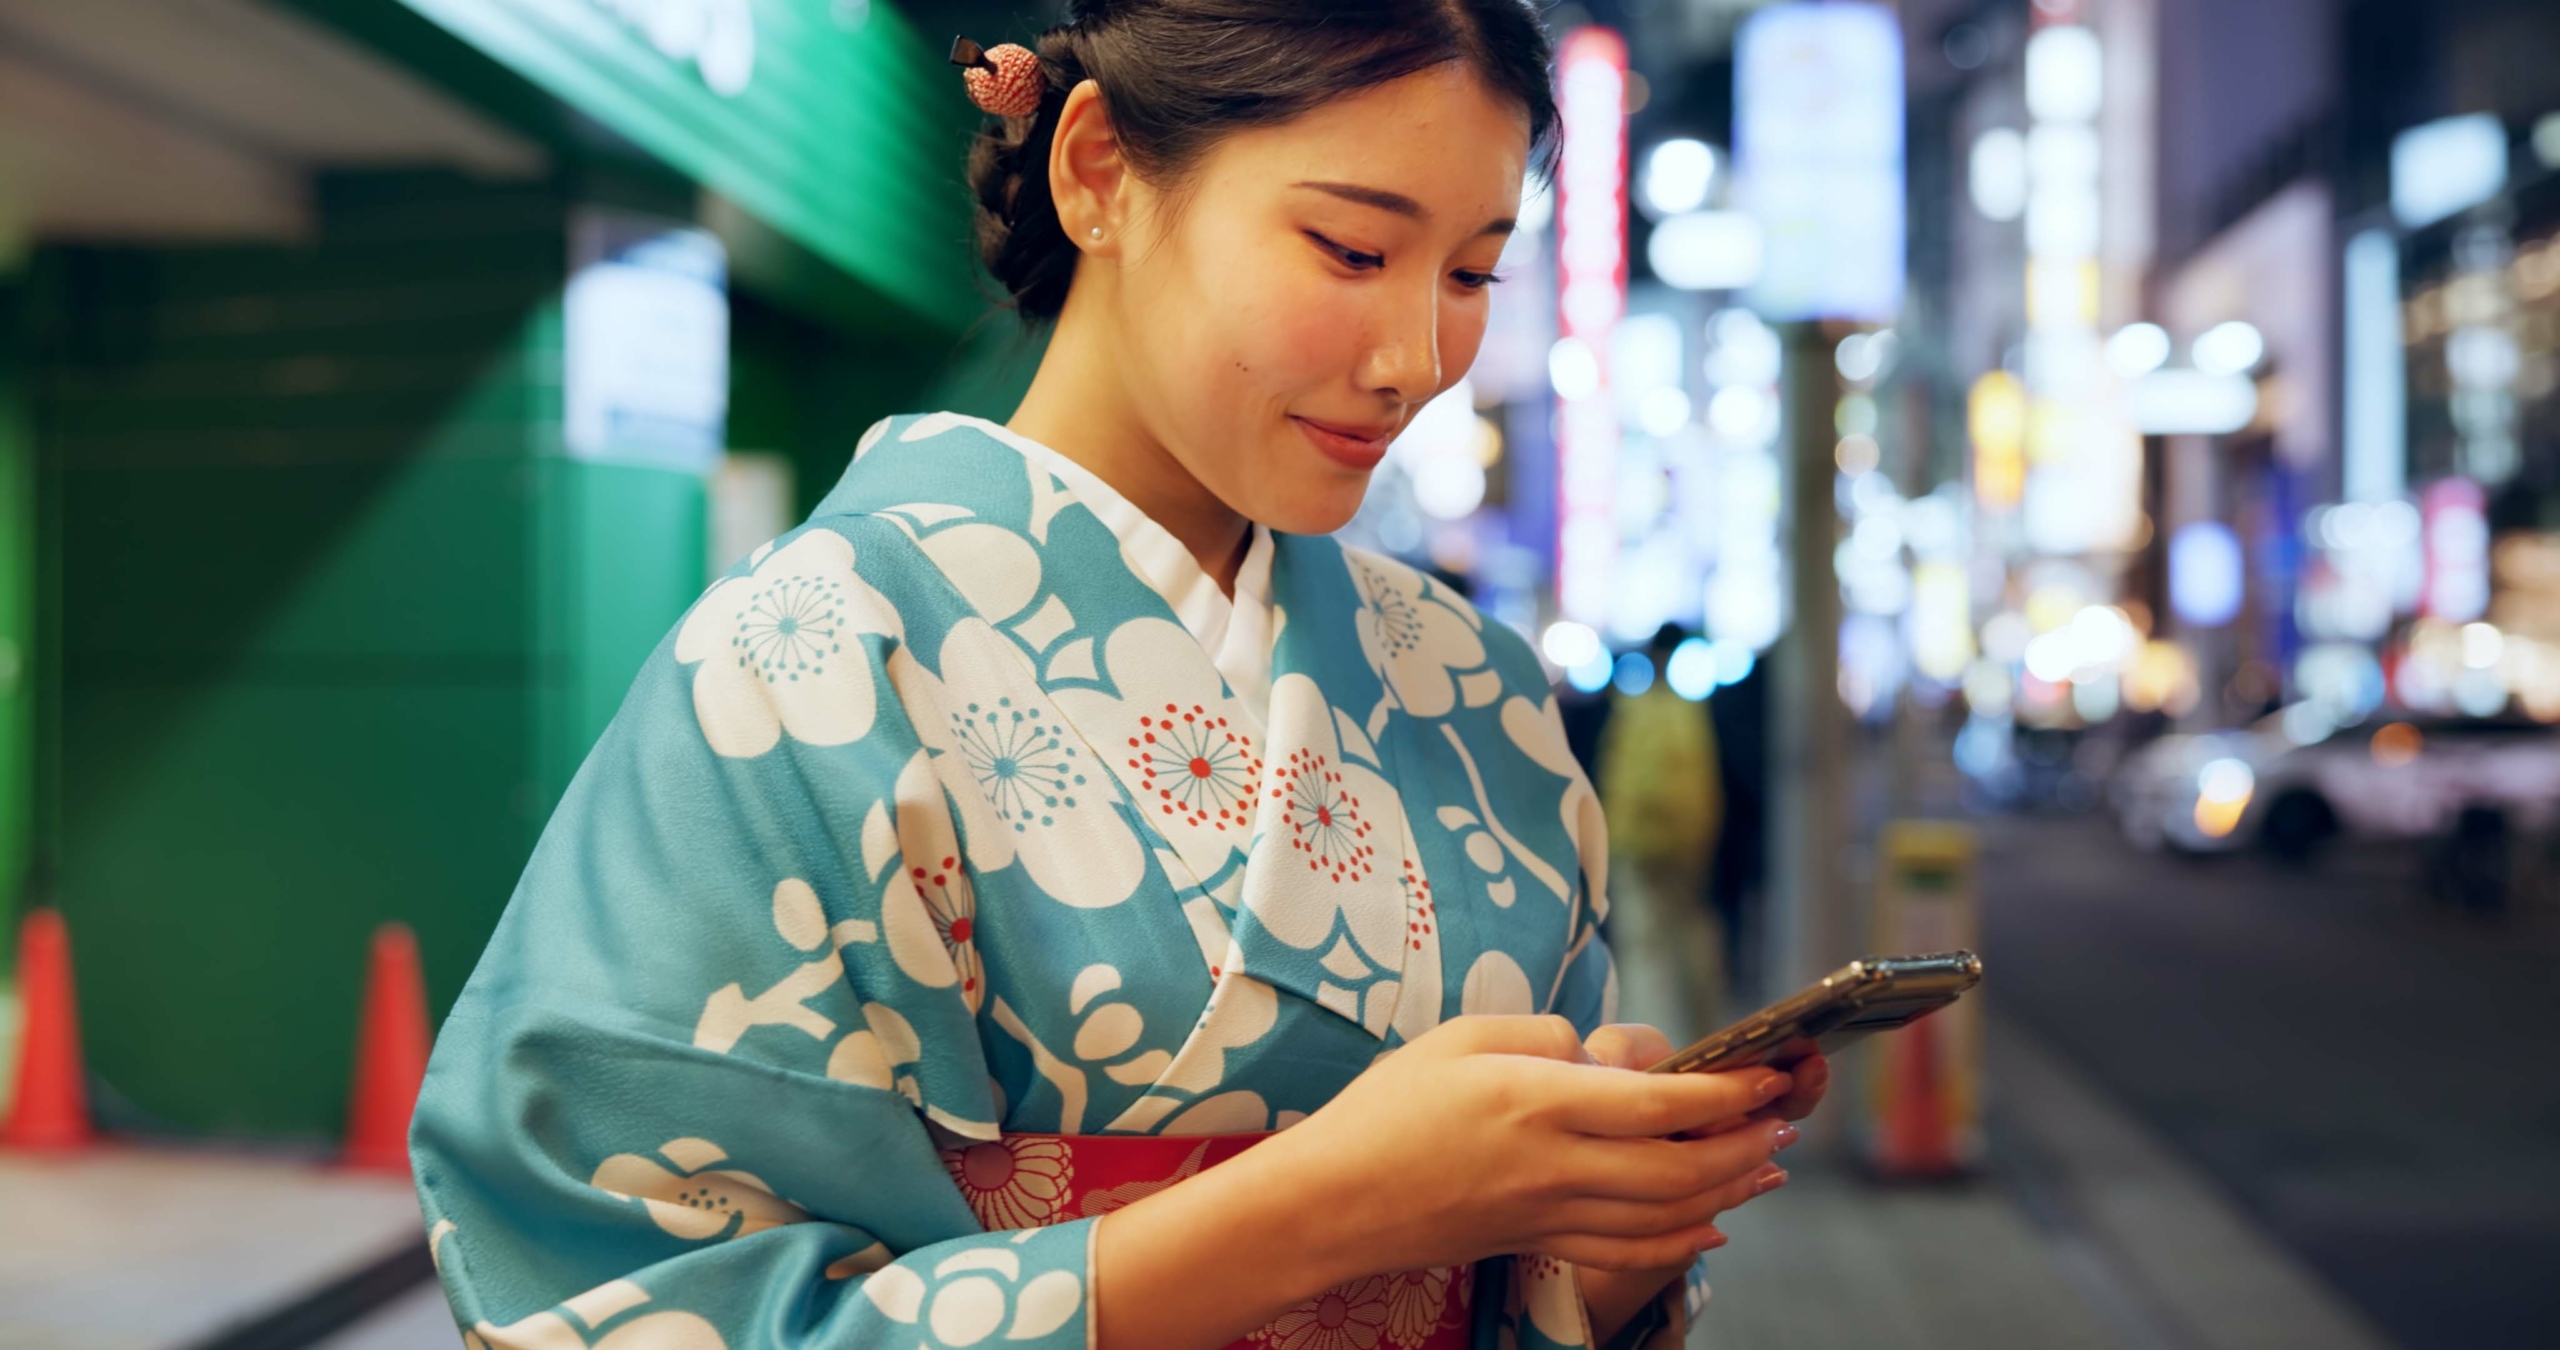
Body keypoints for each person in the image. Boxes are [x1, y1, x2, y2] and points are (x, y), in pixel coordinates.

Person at [411, 5, 1829, 1349]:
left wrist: (1607, 1240)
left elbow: (1518, 1286)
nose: (1417, 359)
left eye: (1469, 273)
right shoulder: (812, 655)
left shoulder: (1476, 687)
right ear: (1099, 170)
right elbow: (626, 1292)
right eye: (1349, 250)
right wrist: (1337, 1206)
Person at [1598, 625, 1727, 1043]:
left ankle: (1651, 1038)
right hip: (1684, 850)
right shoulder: (1692, 711)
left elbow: (1618, 782)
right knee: (1683, 941)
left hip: (1637, 850)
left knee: (1644, 947)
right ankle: (1690, 1032)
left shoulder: (1631, 710)